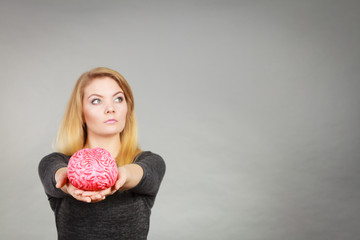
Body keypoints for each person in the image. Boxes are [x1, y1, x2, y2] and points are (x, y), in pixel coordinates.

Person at [38, 67, 166, 240]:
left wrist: (123, 175)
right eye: (96, 101)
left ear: (127, 108)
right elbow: (55, 173)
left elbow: (144, 173)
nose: (110, 108)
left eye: (118, 99)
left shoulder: (149, 161)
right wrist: (69, 181)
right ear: (81, 112)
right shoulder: (56, 161)